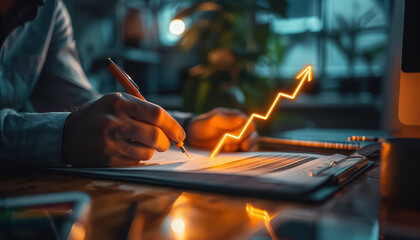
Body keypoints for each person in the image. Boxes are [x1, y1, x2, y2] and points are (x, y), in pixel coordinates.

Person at [0, 0, 258, 168]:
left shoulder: (48, 10)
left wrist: (186, 126)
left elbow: (79, 102)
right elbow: (78, 124)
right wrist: (65, 135)